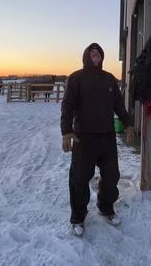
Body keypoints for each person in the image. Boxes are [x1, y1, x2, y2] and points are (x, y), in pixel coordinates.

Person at [60, 43, 135, 236]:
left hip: (107, 137)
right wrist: (66, 131)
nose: (96, 55)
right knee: (79, 179)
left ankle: (106, 207)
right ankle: (78, 217)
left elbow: (118, 105)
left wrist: (128, 124)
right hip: (83, 138)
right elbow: (67, 106)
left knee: (112, 175)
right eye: (92, 52)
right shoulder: (76, 78)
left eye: (99, 53)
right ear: (86, 56)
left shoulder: (109, 79)